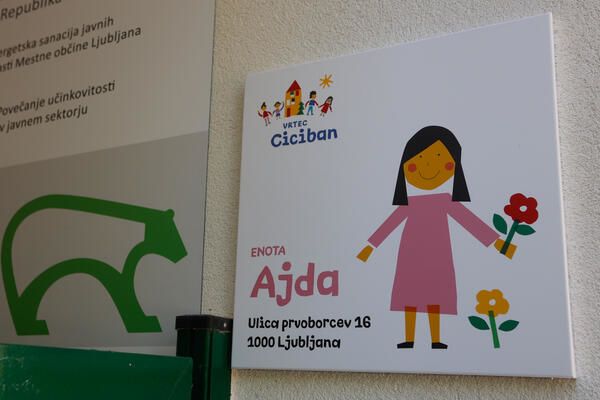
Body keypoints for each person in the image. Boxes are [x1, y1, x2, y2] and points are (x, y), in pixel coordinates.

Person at [357, 126, 504, 349]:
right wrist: (370, 246)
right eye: (419, 160)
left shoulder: (445, 201)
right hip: (410, 256)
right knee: (409, 298)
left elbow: (470, 222)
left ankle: (436, 340)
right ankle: (409, 339)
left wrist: (497, 243)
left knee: (435, 297)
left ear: (453, 166)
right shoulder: (409, 204)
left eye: (439, 158)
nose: (428, 166)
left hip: (438, 255)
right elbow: (388, 225)